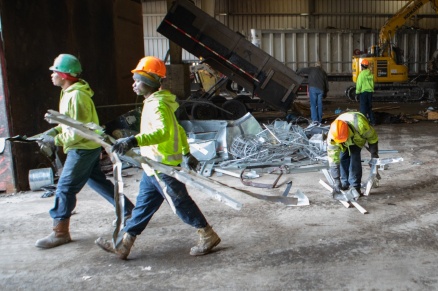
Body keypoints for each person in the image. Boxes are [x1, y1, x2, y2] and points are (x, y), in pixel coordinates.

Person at [95, 56, 221, 260]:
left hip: (163, 166)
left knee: (180, 203)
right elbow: (178, 129)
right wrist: (187, 152)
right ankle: (124, 244)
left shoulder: (157, 106)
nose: (134, 84)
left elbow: (164, 132)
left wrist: (133, 140)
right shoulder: (155, 102)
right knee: (143, 207)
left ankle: (207, 234)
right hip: (151, 166)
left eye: (138, 80)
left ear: (151, 81)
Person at [35, 54, 135, 249]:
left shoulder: (77, 95)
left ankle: (60, 232)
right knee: (97, 181)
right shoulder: (69, 92)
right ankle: (128, 210)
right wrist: (53, 130)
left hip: (82, 148)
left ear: (64, 75)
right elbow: (69, 122)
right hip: (85, 146)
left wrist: (55, 139)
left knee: (65, 188)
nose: (52, 75)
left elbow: (78, 131)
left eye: (55, 71)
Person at [327, 111, 379, 195]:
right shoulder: (333, 135)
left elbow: (372, 137)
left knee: (354, 159)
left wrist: (374, 153)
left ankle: (355, 187)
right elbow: (333, 159)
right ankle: (344, 183)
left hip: (357, 139)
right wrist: (336, 180)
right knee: (343, 157)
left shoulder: (361, 125)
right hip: (343, 136)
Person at [356, 59, 376, 125]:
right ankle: (373, 122)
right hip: (370, 92)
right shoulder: (371, 74)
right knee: (369, 107)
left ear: (362, 66)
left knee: (363, 108)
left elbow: (359, 84)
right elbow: (373, 84)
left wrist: (357, 92)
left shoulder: (361, 74)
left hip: (363, 93)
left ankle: (363, 122)